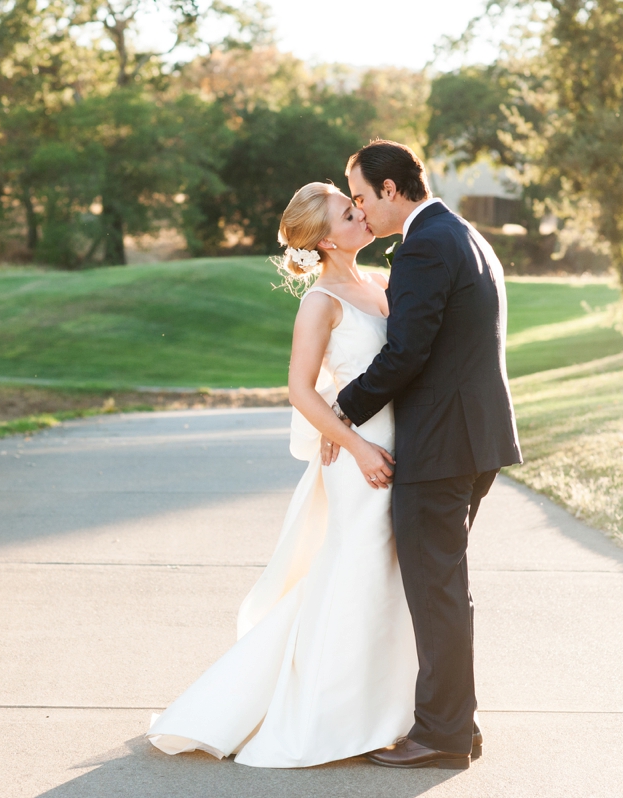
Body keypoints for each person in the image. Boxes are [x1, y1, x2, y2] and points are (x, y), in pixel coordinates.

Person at [146, 180, 419, 767]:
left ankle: (393, 710)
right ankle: (336, 716)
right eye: (350, 213)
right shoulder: (321, 302)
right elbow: (299, 390)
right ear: (323, 239)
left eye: (358, 206)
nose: (363, 214)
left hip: (407, 447)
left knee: (395, 579)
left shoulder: (383, 284)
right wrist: (355, 446)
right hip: (362, 460)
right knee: (359, 575)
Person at [331, 140, 521, 769]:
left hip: (442, 445)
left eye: (361, 196)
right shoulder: (463, 233)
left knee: (436, 590)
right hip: (474, 439)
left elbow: (406, 353)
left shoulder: (423, 245)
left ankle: (441, 735)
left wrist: (343, 410)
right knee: (446, 587)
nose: (360, 209)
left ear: (390, 189)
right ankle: (456, 726)